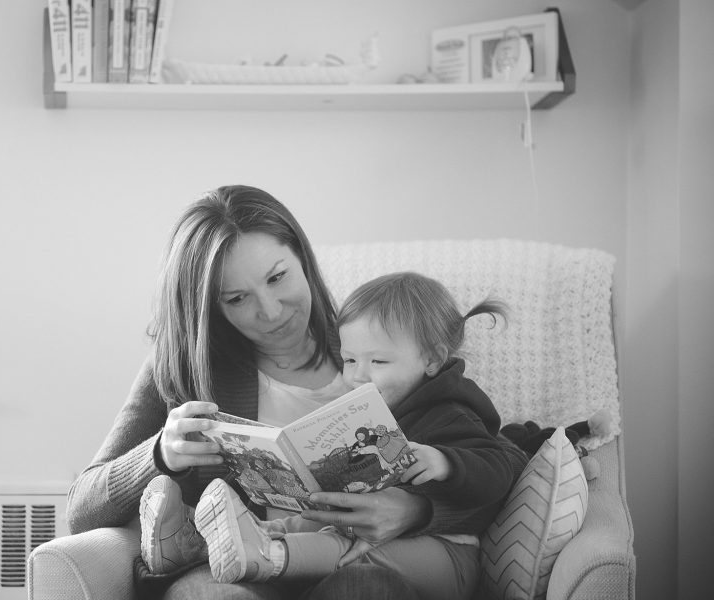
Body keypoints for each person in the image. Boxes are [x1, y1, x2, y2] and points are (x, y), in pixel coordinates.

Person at [67, 185, 527, 600]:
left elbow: (492, 470)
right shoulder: (183, 368)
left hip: (358, 567)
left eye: (276, 277)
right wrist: (159, 455)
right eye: (236, 298)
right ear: (211, 308)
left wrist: (417, 511)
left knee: (364, 587)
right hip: (242, 576)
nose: (270, 311)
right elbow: (82, 510)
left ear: (302, 259)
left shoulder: (376, 344)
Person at [182, 272, 516, 600]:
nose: (358, 375)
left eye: (379, 361)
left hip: (444, 554)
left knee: (350, 552)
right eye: (349, 359)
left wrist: (447, 462)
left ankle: (270, 556)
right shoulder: (381, 408)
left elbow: (499, 471)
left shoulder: (451, 410)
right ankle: (206, 543)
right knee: (315, 518)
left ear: (433, 359)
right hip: (376, 538)